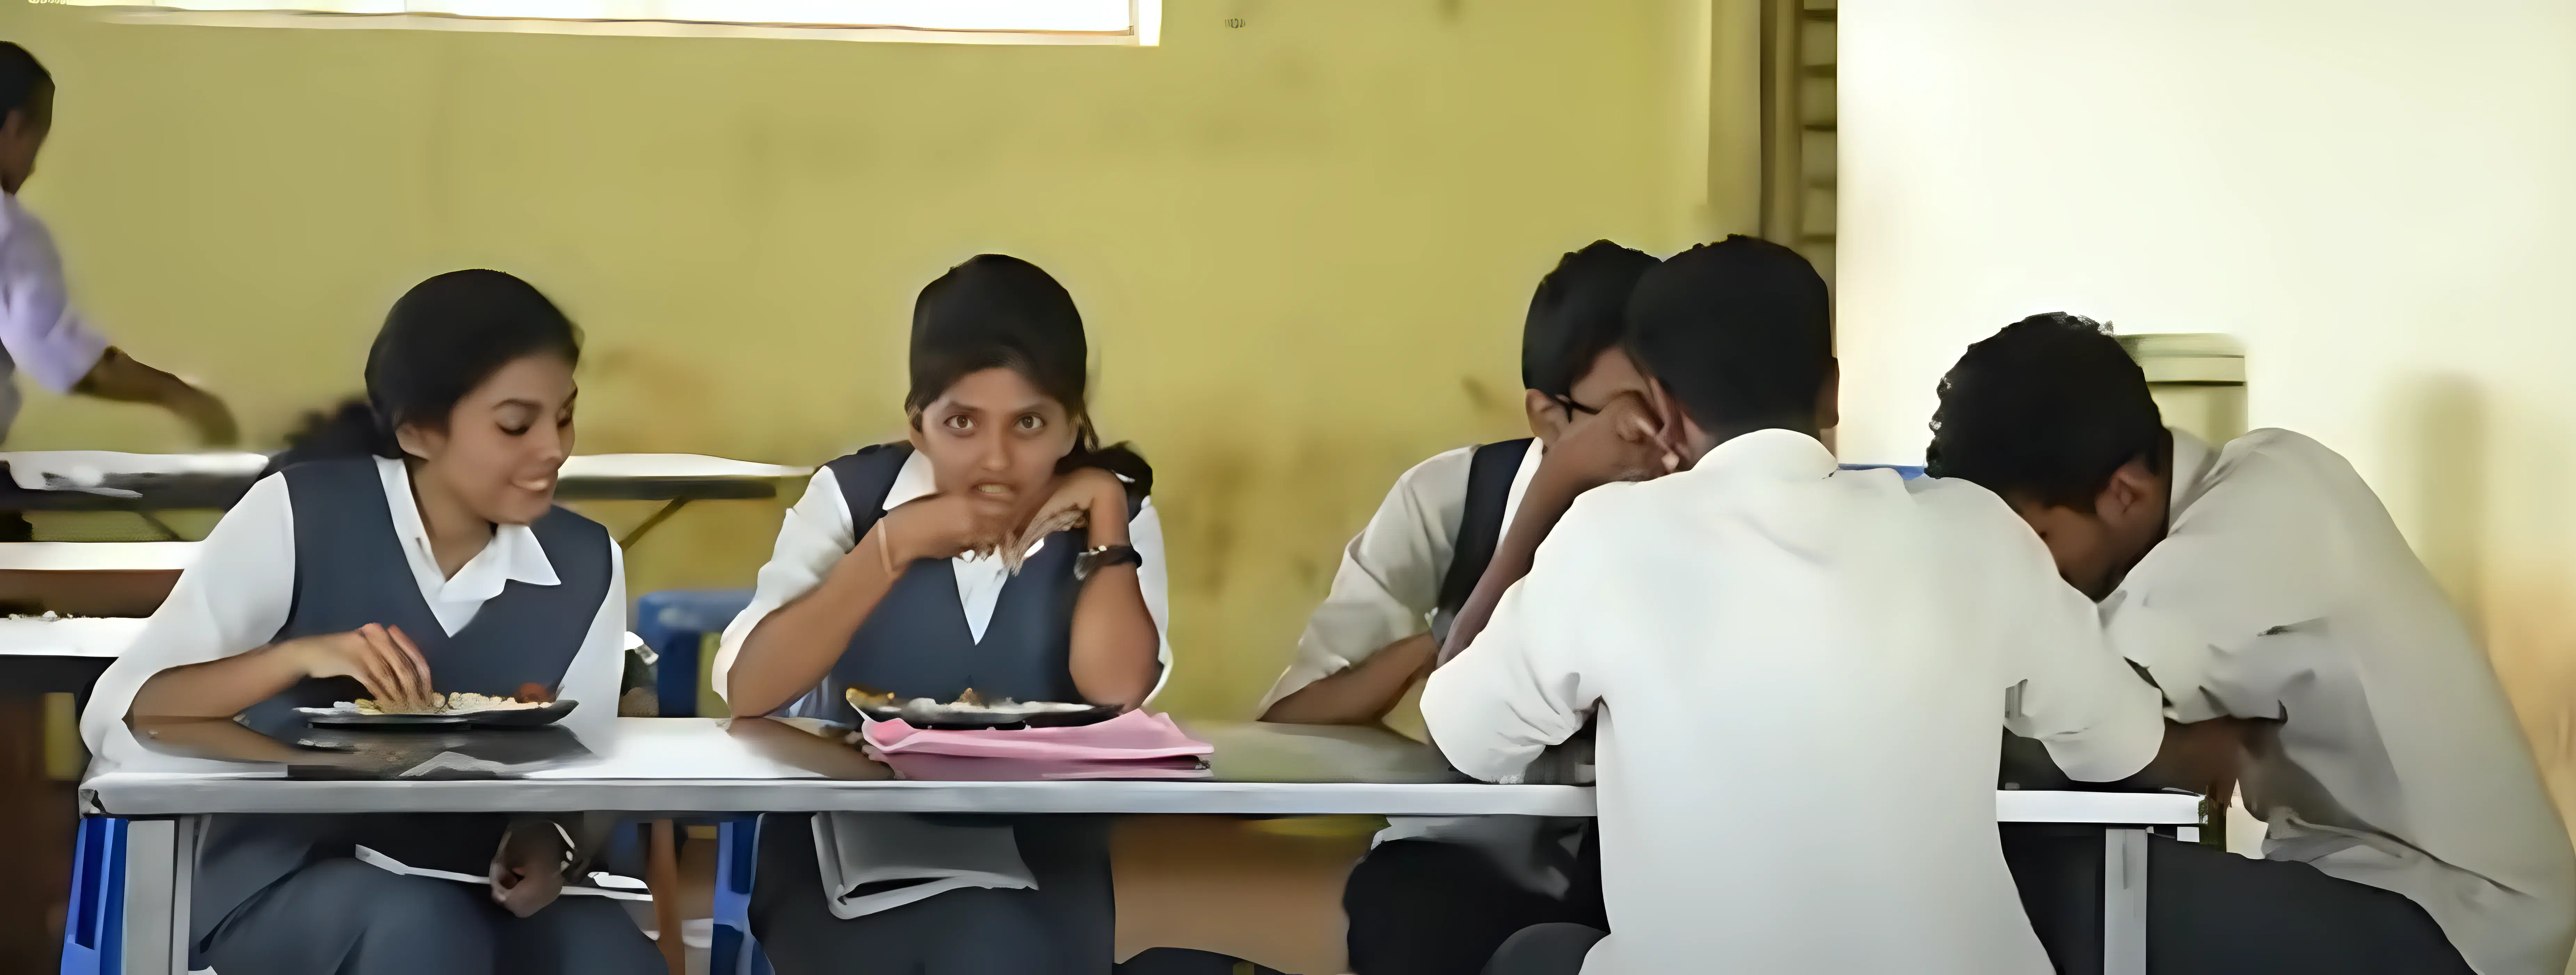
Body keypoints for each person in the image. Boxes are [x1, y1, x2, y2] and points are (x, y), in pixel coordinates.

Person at [1420, 236, 2171, 975]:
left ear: (1663, 408)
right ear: (1832, 390)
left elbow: (1467, 736)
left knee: (1535, 954)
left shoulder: (1609, 539)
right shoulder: (1976, 531)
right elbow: (2125, 745)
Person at [1925, 313, 2575, 975]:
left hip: (2453, 914)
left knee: (2043, 889)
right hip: (2355, 880)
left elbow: (2079, 701)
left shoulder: (2262, 508)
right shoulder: (2179, 531)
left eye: (2033, 544)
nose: (2025, 576)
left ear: (2124, 491)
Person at [77, 269, 654, 975]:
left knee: (606, 952)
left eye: (564, 416)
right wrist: (297, 658)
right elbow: (123, 715)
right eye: (515, 424)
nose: (553, 448)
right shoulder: (297, 515)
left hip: (475, 884)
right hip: (281, 881)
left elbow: (583, 769)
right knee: (421, 932)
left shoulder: (586, 562)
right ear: (417, 431)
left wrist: (550, 839)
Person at [716, 254, 1169, 975]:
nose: (995, 457)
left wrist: (1108, 523)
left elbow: (1116, 689)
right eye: (962, 421)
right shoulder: (852, 498)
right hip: (845, 870)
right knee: (983, 945)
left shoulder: (1113, 516)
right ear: (918, 425)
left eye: (1028, 422)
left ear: (1071, 426)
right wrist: (889, 549)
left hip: (1043, 864)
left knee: (1001, 943)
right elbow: (750, 690)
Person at [1254, 241, 1657, 975]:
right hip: (1459, 865)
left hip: (1636, 869)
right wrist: (1430, 648)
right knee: (1408, 916)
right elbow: (1291, 718)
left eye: (1677, 415)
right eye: (1632, 417)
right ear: (1548, 414)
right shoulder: (1449, 502)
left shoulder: (1698, 516)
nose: (1660, 448)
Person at [0, 42, 235, 450]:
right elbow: (59, 351)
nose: (34, 167)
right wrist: (181, 396)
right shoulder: (10, 231)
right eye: (36, 145)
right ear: (17, 128)